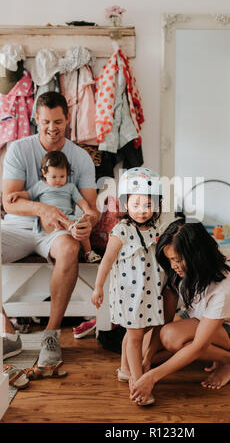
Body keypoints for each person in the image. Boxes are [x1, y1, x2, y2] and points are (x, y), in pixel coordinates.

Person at [1, 91, 99, 371]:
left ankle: (51, 336)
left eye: (58, 121)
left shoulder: (80, 157)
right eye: (46, 122)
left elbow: (90, 208)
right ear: (35, 119)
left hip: (58, 232)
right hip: (18, 228)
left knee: (69, 249)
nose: (52, 128)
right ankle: (8, 334)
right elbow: (9, 203)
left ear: (67, 119)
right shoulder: (18, 149)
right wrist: (43, 210)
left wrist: (86, 224)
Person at [130, 218, 230, 405]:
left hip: (229, 327)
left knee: (170, 337)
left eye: (177, 260)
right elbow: (164, 319)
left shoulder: (223, 287)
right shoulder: (177, 273)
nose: (173, 266)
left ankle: (229, 360)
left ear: (197, 255)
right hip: (196, 316)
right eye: (169, 259)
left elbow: (198, 345)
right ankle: (165, 355)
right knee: (146, 347)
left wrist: (152, 377)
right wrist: (148, 359)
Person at [91, 167, 164, 405]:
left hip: (148, 292)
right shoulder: (121, 230)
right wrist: (98, 287)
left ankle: (124, 369)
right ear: (125, 205)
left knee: (137, 333)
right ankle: (137, 379)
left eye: (147, 204)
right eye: (136, 204)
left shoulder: (155, 229)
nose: (142, 210)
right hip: (128, 294)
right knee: (134, 337)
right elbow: (107, 262)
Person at [6, 150, 101, 263]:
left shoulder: (70, 187)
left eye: (62, 176)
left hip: (67, 218)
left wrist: (88, 210)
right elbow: (28, 194)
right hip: (48, 220)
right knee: (66, 224)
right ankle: (71, 227)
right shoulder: (40, 186)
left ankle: (88, 252)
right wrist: (18, 194)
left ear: (67, 173)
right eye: (54, 176)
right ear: (44, 173)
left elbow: (80, 201)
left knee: (82, 227)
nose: (58, 180)